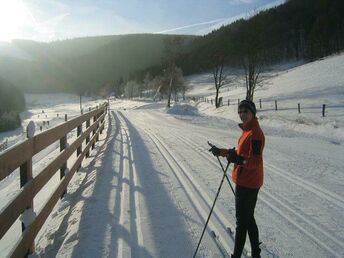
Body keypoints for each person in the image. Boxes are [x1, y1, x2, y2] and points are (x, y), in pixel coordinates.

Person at [209, 99, 265, 258]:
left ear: (252, 113)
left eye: (245, 111)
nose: (242, 115)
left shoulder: (255, 134)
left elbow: (255, 161)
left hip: (248, 183)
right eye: (240, 112)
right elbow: (239, 154)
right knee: (248, 218)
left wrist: (239, 160)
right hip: (249, 181)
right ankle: (256, 253)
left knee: (242, 222)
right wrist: (221, 151)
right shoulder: (248, 131)